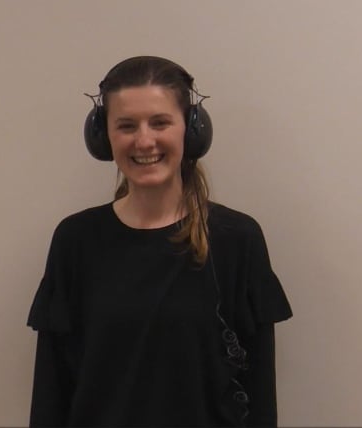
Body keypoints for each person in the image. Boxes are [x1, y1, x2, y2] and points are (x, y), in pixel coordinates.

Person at [27, 56, 292, 427]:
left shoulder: (237, 240)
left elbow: (260, 394)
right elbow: (52, 391)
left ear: (192, 130)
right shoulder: (75, 241)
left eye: (160, 122)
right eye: (126, 125)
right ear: (103, 137)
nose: (144, 140)